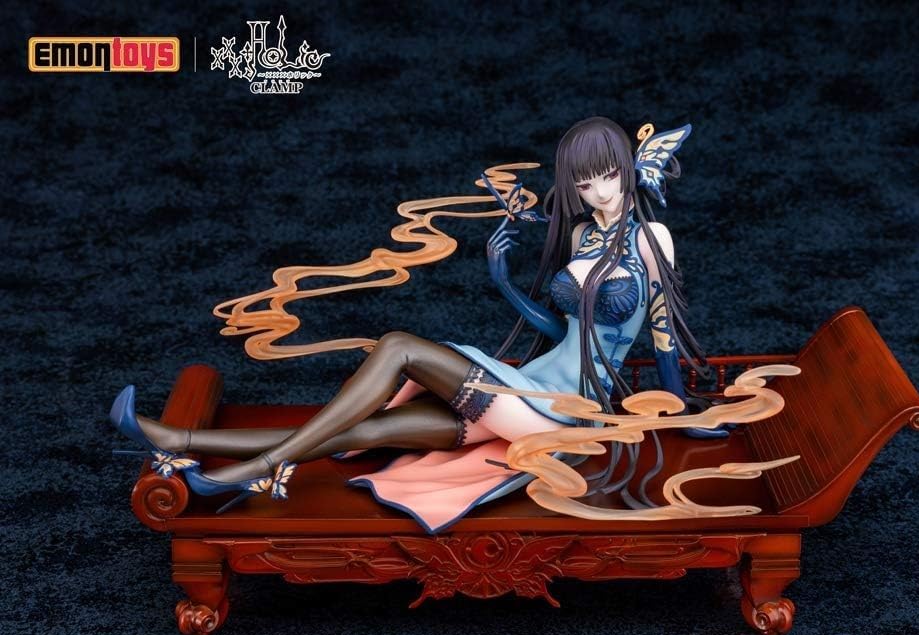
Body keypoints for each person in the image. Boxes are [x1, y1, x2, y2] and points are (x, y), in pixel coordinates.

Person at [111, 116, 727, 532]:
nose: (598, 192)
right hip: (528, 385)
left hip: (564, 412)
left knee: (400, 347)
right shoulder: (583, 237)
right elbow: (560, 330)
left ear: (628, 167)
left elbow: (662, 333)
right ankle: (182, 442)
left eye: (608, 176)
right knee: (370, 428)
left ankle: (252, 471)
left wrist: (683, 410)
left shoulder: (652, 239)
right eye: (584, 183)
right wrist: (504, 281)